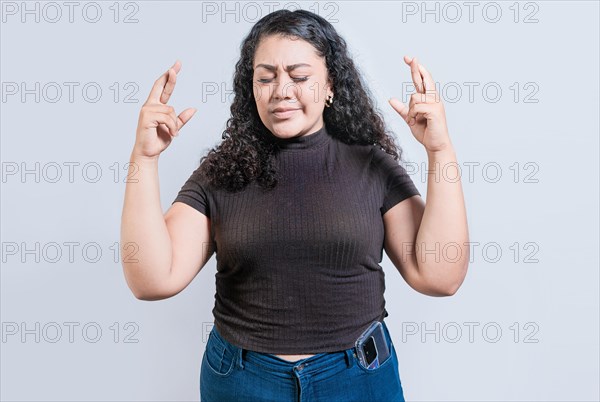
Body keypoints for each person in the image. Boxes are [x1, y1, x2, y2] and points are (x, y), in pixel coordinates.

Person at [120, 9, 469, 402]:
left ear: (330, 84)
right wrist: (144, 159)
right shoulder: (222, 172)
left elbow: (440, 276)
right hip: (242, 380)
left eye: (299, 78)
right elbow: (151, 280)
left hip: (357, 378)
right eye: (265, 78)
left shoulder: (371, 166)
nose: (281, 91)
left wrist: (440, 151)